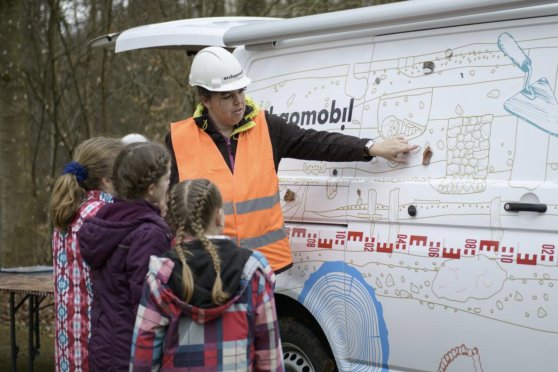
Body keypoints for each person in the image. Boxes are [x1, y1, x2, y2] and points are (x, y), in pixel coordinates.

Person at [166, 46, 418, 274]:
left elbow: (317, 143)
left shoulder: (266, 126)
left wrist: (371, 147)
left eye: (241, 91)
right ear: (205, 99)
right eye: (227, 96)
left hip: (262, 266)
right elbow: (170, 208)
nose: (239, 101)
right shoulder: (179, 138)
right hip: (205, 269)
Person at [130, 178, 284, 371]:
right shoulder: (253, 270)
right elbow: (269, 354)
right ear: (220, 217)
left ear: (174, 222)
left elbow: (143, 356)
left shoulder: (162, 274)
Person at [78, 141, 173, 371]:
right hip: (132, 352)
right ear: (151, 188)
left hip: (104, 344)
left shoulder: (108, 220)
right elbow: (148, 302)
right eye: (167, 179)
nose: (169, 184)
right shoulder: (149, 233)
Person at [50, 136, 123, 372]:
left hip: (68, 342)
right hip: (98, 341)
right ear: (108, 180)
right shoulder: (106, 216)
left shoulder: (69, 211)